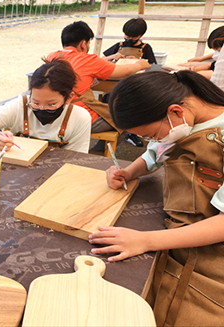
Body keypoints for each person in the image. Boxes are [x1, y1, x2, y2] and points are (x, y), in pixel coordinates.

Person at [88, 70, 224, 326]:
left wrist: (146, 240)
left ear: (175, 111)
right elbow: (156, 154)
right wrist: (128, 171)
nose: (151, 141)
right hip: (183, 228)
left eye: (150, 135)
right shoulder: (181, 122)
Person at [45, 21, 151, 148]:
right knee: (129, 118)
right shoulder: (88, 60)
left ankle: (98, 147)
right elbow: (126, 71)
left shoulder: (52, 56)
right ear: (83, 44)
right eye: (89, 43)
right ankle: (100, 152)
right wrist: (140, 64)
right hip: (79, 118)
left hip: (49, 115)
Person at [0, 60, 91, 153]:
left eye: (51, 104)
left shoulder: (79, 118)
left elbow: (76, 159)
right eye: (35, 102)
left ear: (69, 97)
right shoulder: (22, 105)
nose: (41, 108)